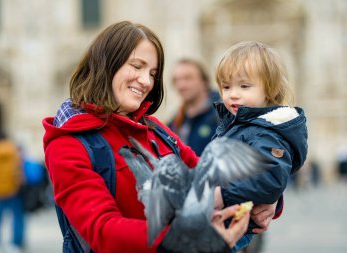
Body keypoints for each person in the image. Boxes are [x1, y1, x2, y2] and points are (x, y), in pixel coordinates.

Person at [42, 21, 264, 253]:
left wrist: (265, 200)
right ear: (105, 64)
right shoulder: (69, 143)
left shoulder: (153, 128)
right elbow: (103, 230)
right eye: (137, 66)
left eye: (153, 73)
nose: (146, 81)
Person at [214, 41, 308, 252]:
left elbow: (268, 178)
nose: (233, 94)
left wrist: (220, 195)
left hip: (231, 222)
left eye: (244, 86)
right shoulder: (239, 125)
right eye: (226, 86)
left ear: (269, 89)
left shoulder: (263, 132)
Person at [168, 58, 220, 156]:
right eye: (176, 80)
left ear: (204, 81)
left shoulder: (223, 113)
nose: (181, 85)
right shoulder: (176, 121)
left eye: (187, 78)